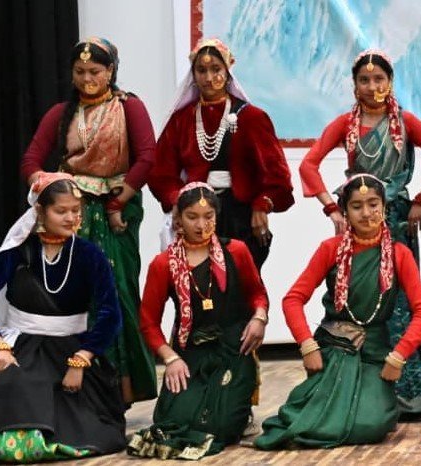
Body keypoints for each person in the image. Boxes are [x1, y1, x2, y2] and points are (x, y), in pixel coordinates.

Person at [298, 49, 421, 419]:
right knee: (359, 297)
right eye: (364, 79)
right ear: (354, 84)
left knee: (401, 304)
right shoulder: (345, 124)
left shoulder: (406, 123)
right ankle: (360, 387)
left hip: (395, 221)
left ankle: (411, 396)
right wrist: (332, 209)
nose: (372, 85)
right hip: (359, 221)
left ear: (390, 82)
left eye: (379, 78)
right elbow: (308, 165)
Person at [19, 37, 158, 403]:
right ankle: (79, 390)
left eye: (95, 71)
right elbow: (31, 160)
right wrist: (47, 184)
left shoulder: (129, 107)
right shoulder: (62, 112)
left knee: (118, 292)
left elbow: (147, 157)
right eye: (79, 72)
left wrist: (118, 202)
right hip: (73, 214)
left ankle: (122, 388)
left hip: (118, 213)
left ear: (110, 71)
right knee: (79, 296)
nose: (87, 79)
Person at [253, 174, 421, 449]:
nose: (366, 213)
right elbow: (293, 299)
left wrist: (398, 356)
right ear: (345, 211)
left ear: (384, 207)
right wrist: (307, 346)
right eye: (357, 206)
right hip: (334, 350)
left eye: (373, 204)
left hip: (375, 354)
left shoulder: (399, 254)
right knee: (305, 416)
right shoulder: (331, 249)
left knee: (371, 424)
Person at [0, 174, 126, 461]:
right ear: (40, 211)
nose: (71, 218)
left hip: (71, 350)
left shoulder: (89, 255)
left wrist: (81, 360)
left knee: (80, 415)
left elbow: (111, 314)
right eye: (61, 211)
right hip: (23, 348)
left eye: (76, 210)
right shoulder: (17, 252)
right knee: (16, 384)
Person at [127, 183, 269, 459]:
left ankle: (239, 411)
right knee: (172, 421)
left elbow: (257, 294)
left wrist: (259, 318)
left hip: (233, 348)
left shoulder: (236, 251)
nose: (201, 225)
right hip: (189, 351)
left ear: (217, 216)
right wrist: (170, 359)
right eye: (192, 217)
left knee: (221, 426)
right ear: (178, 218)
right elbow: (148, 322)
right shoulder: (163, 264)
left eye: (208, 217)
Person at [149, 37, 294, 270]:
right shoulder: (182, 119)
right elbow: (160, 172)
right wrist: (177, 200)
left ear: (227, 72)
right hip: (196, 215)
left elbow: (277, 175)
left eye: (216, 69)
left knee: (241, 282)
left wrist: (261, 206)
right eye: (201, 70)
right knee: (197, 282)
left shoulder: (251, 117)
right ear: (193, 74)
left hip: (240, 216)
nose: (208, 77)